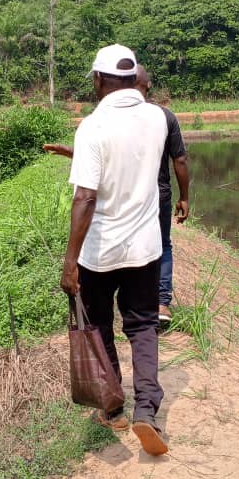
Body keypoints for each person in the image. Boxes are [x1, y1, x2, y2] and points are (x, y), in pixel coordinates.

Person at [59, 44, 169, 456]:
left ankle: (113, 408)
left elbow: (86, 196)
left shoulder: (91, 127)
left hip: (100, 253)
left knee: (100, 325)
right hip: (144, 248)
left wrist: (70, 262)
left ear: (99, 80)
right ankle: (147, 411)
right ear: (132, 78)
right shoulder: (157, 118)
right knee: (142, 326)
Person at [46, 67, 189, 327]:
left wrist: (70, 261)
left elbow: (108, 164)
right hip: (157, 196)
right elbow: (178, 159)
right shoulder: (160, 117)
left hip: (135, 196)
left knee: (146, 244)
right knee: (161, 245)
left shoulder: (106, 120)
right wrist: (185, 196)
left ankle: (142, 301)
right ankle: (159, 302)